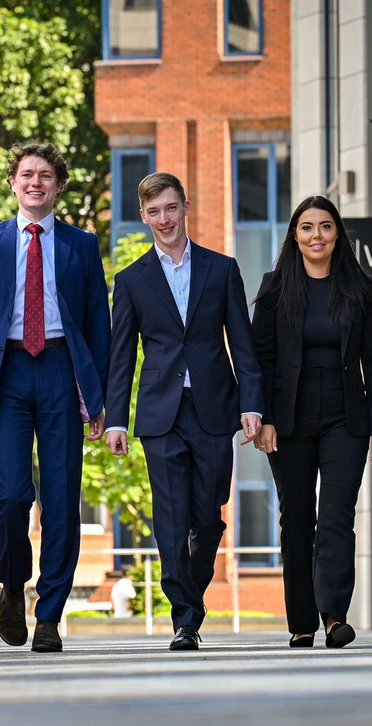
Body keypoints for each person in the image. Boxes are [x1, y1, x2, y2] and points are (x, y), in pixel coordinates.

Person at [0, 142, 111, 654]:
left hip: (64, 371)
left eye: (45, 175)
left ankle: (49, 614)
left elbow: (98, 326)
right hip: (9, 374)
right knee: (14, 494)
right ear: (13, 183)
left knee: (62, 500)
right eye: (26, 175)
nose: (35, 183)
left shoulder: (82, 245)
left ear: (58, 184)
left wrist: (98, 395)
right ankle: (11, 585)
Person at [104, 172, 263, 651]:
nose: (164, 219)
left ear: (185, 207)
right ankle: (185, 618)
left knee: (209, 515)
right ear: (143, 216)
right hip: (160, 413)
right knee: (170, 516)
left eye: (171, 208)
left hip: (215, 406)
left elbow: (243, 343)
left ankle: (190, 593)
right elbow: (120, 356)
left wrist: (252, 403)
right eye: (154, 212)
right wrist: (115, 417)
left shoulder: (221, 269)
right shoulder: (131, 280)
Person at [251, 196, 372, 649]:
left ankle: (333, 615)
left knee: (336, 516)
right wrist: (264, 419)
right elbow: (261, 359)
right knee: (297, 517)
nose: (317, 236)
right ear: (295, 234)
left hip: (346, 417)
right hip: (287, 418)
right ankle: (301, 622)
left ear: (337, 235)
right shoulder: (275, 288)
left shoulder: (359, 287)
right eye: (308, 227)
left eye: (325, 227)